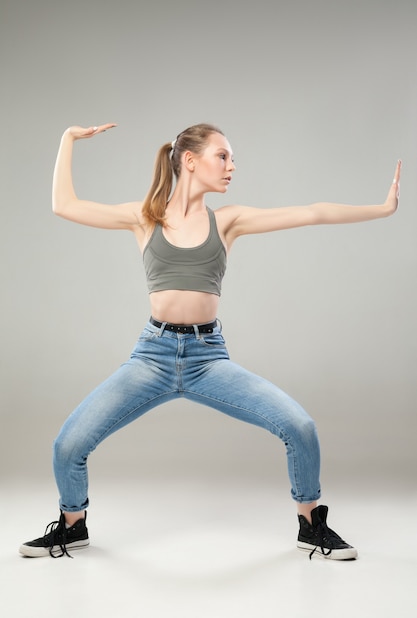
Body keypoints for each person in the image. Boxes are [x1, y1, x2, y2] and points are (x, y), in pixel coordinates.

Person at [19, 122, 401, 560]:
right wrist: (68, 139)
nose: (232, 166)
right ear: (190, 160)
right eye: (224, 156)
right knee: (69, 444)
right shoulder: (146, 215)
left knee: (300, 427)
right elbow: (63, 204)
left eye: (231, 159)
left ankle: (311, 525)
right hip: (153, 357)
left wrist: (382, 208)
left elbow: (311, 211)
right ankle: (73, 525)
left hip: (207, 359)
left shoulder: (229, 221)